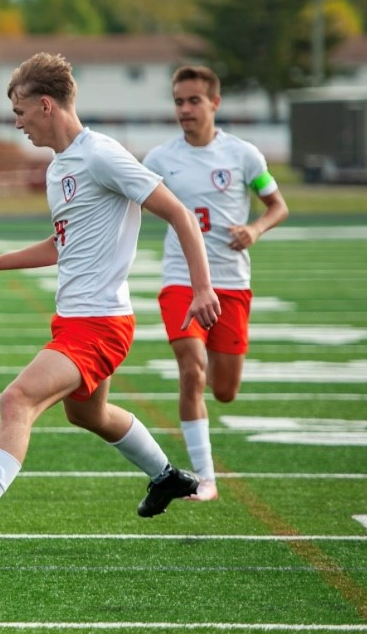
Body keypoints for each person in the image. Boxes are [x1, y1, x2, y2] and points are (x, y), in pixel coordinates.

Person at [0, 52, 221, 562]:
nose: (17, 124)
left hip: (100, 324)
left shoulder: (101, 153)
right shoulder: (60, 166)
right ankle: (166, 476)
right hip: (77, 320)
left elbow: (179, 214)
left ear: (45, 105)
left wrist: (202, 288)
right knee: (89, 414)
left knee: (16, 401)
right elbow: (65, 243)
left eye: (20, 112)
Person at [143, 66, 288, 502]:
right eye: (178, 101)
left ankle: (205, 415)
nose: (185, 110)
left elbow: (277, 205)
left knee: (224, 390)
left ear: (214, 104)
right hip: (180, 281)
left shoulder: (244, 155)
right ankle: (205, 478)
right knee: (192, 371)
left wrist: (256, 229)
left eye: (193, 101)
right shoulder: (159, 159)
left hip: (232, 285)